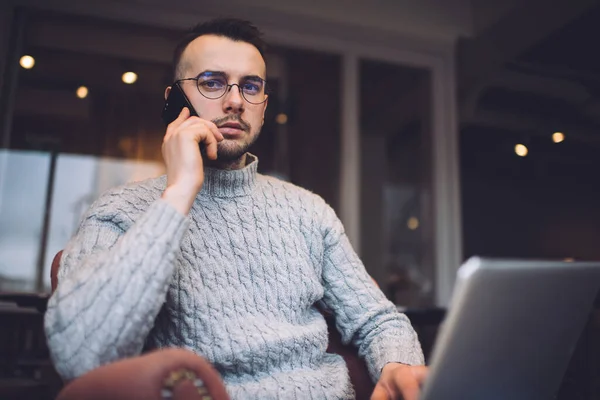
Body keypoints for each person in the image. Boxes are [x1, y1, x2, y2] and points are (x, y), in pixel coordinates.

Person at [44, 18, 428, 400]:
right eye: (212, 82)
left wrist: (396, 365)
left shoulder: (309, 211)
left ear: (263, 105)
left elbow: (377, 319)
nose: (235, 100)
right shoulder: (120, 210)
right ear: (174, 100)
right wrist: (179, 193)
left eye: (251, 86)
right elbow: (80, 355)